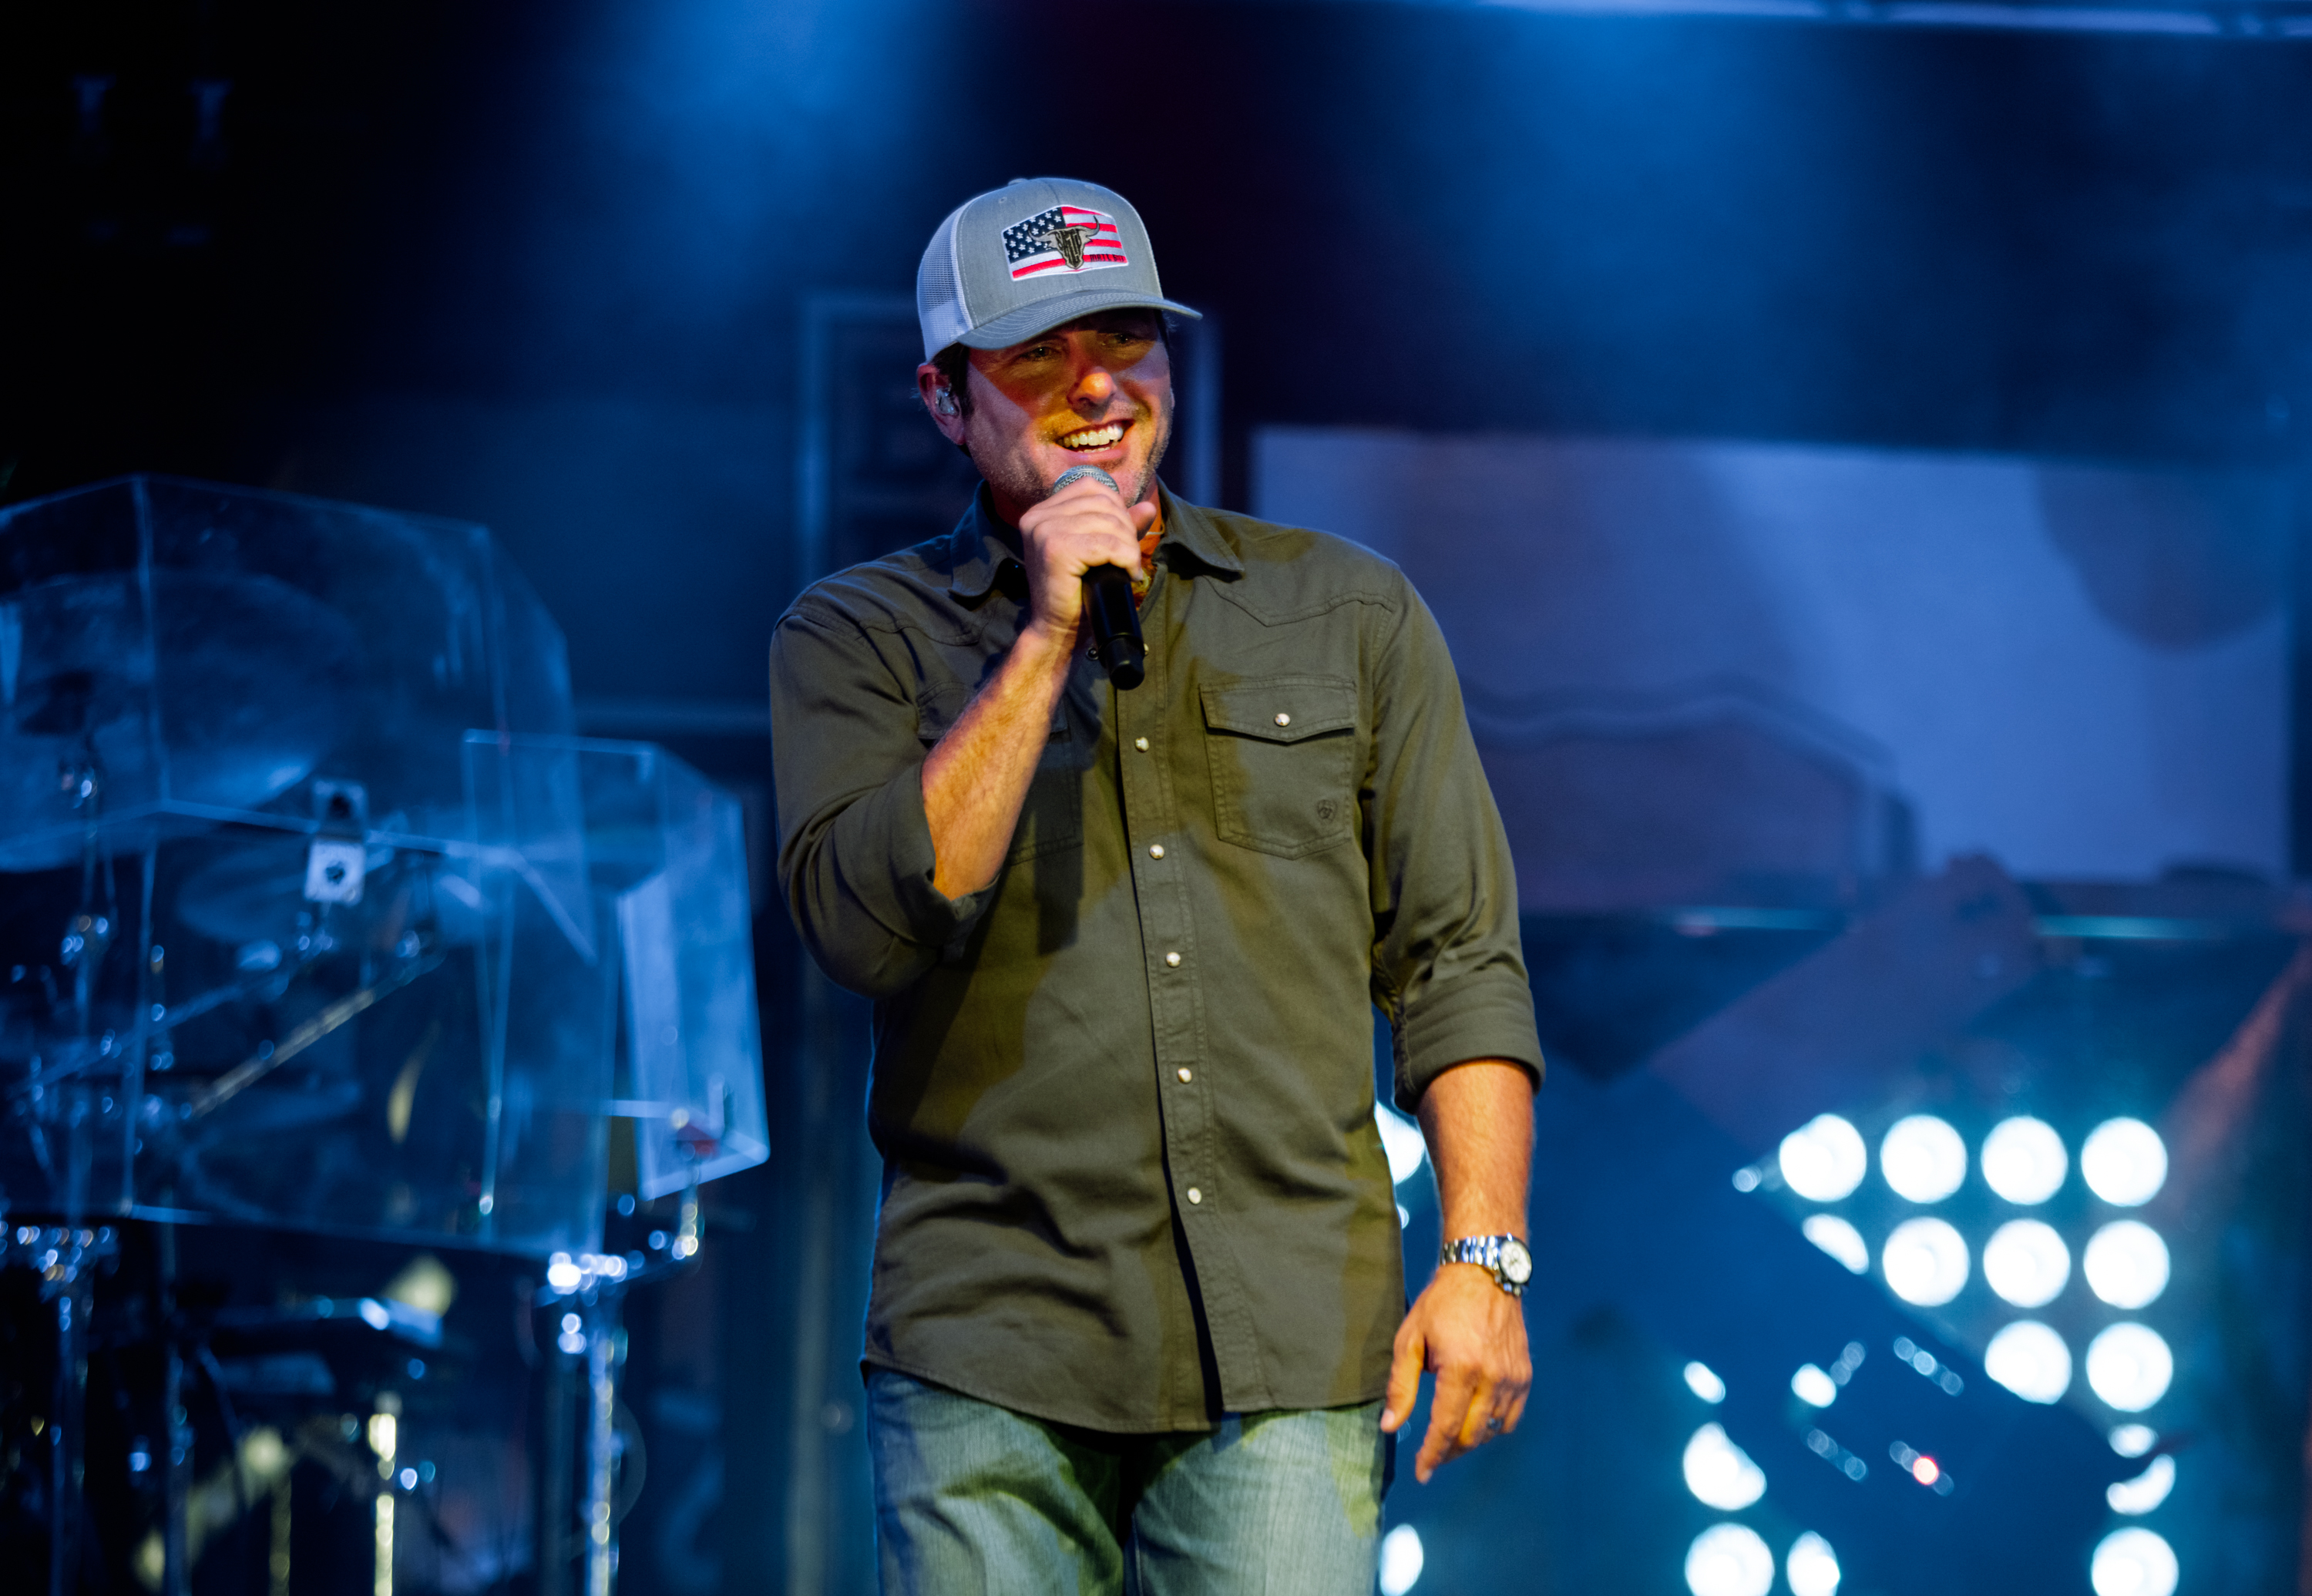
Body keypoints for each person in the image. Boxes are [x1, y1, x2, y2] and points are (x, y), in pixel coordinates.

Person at [768, 176, 1544, 1594]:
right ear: (946, 401)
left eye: (1127, 339)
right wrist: (1051, 630)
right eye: (1037, 355)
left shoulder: (1347, 612)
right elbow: (865, 928)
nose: (1096, 387)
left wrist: (1484, 1259)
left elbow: (1458, 960)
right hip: (990, 1346)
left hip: (1293, 1336)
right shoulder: (857, 635)